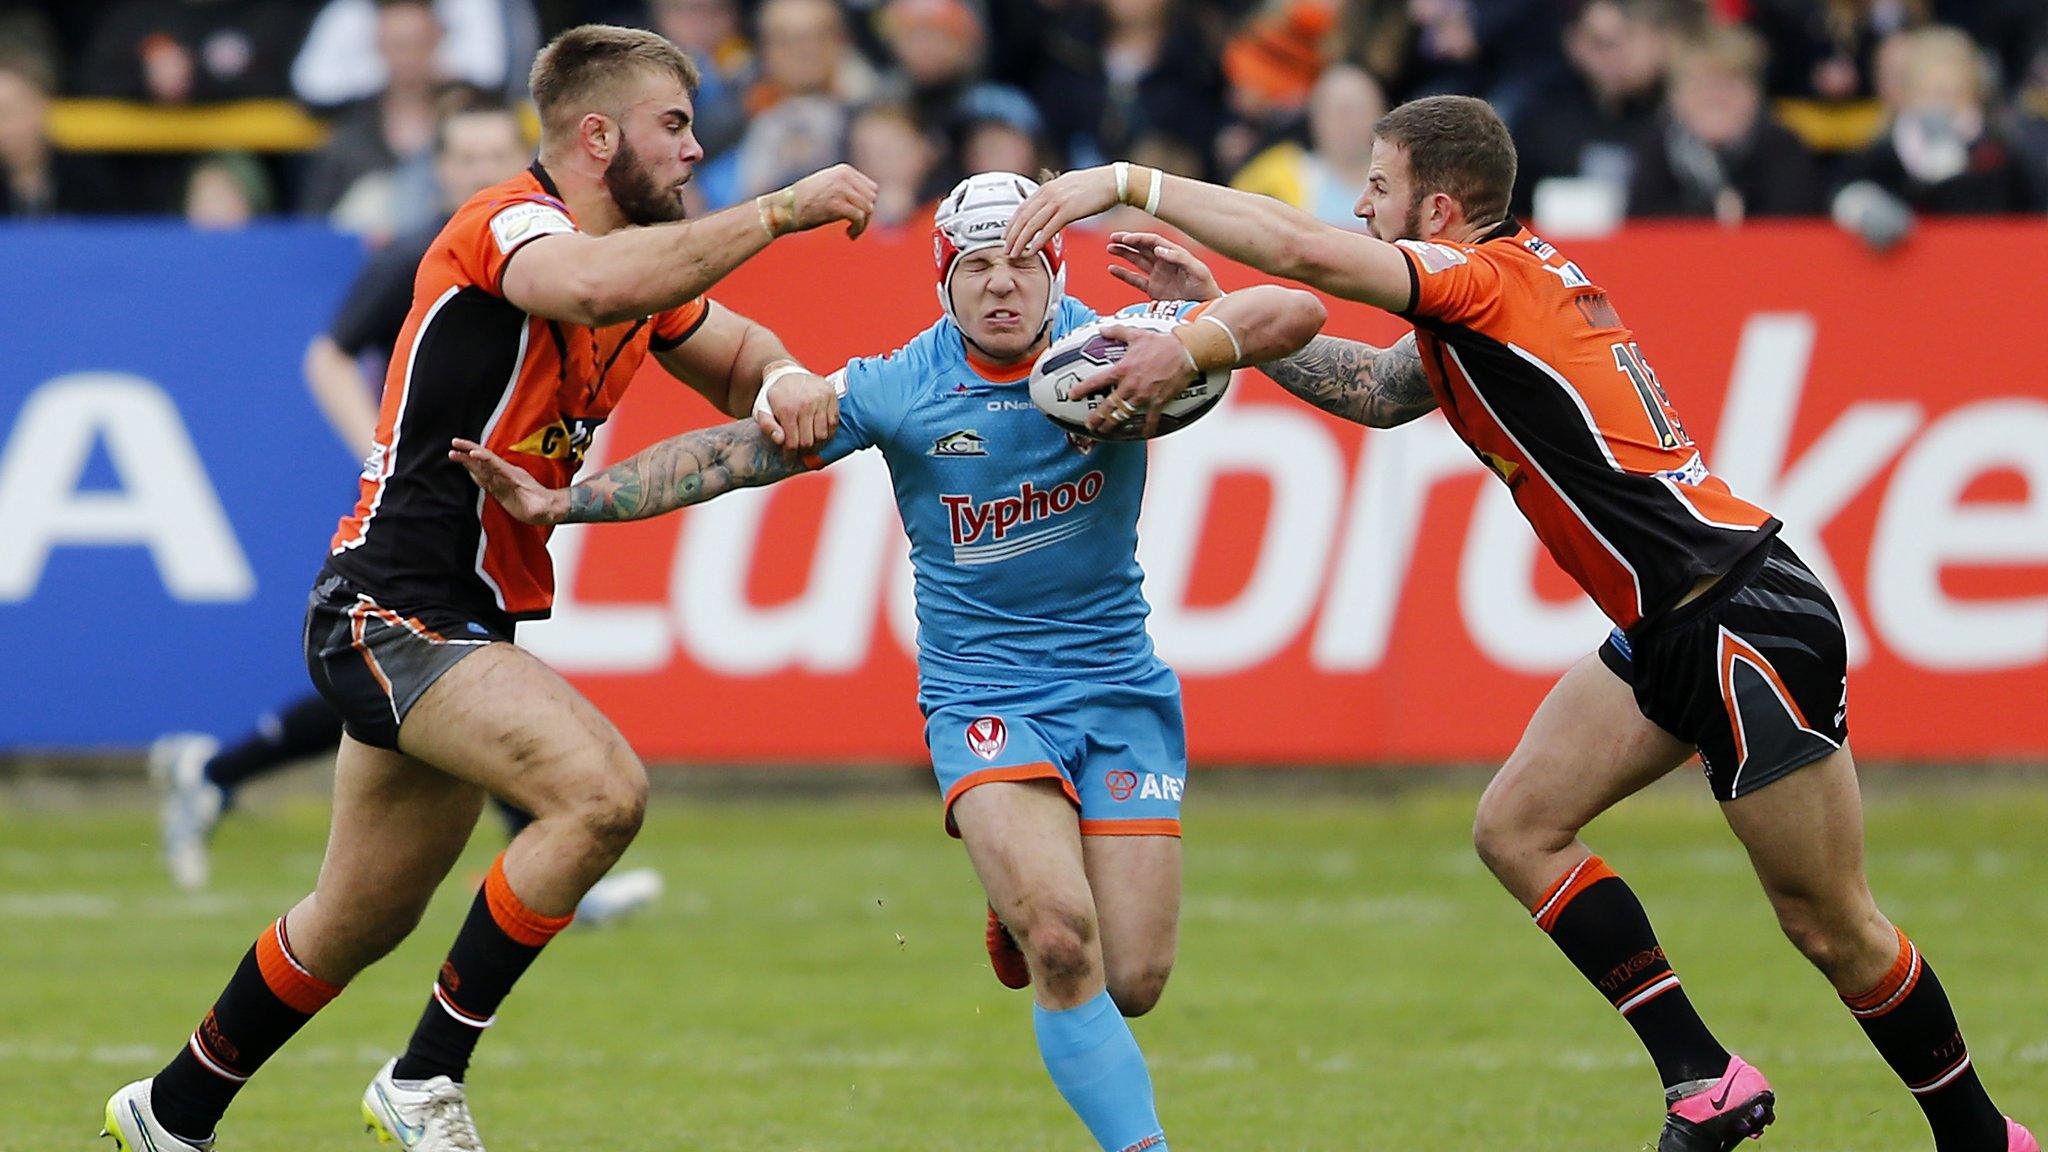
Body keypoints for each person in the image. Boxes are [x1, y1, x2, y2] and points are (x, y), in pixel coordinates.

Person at [1006, 96, 2039, 1152]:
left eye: (1377, 185)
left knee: (1830, 926)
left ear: (1439, 208)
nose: (1359, 203)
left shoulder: (1479, 280)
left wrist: (1128, 182)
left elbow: (1302, 250)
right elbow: (1372, 388)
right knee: (1516, 827)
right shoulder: (1496, 289)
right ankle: (1702, 1076)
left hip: (1738, 620)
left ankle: (1979, 1139)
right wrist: (1220, 310)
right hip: (1666, 625)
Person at [103, 23, 877, 1152]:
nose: (696, 151)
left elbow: (735, 349)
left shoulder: (634, 264)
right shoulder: (511, 222)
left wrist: (791, 376)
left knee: (354, 922)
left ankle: (170, 1113)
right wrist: (773, 212)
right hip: (388, 608)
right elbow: (587, 283)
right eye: (674, 127)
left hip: (464, 617)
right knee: (602, 793)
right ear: (595, 134)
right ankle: (424, 1079)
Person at [451, 171, 1326, 1152]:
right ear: (942, 282)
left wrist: (1194, 332)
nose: (1003, 286)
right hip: (982, 696)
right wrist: (565, 502)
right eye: (978, 267)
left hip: (1118, 687)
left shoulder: (1111, 343)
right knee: (1062, 943)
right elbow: (733, 457)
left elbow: (1294, 308)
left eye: (1024, 262)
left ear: (1055, 269)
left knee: (1134, 981)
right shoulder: (896, 385)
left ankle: (1018, 899)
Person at [151, 96, 664, 925]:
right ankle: (556, 844)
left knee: (426, 683)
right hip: (419, 493)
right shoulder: (440, 244)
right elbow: (328, 352)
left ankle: (217, 771)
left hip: (486, 502)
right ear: (441, 167)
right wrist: (377, 446)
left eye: (490, 151)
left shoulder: (546, 245)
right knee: (427, 668)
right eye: (460, 156)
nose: (475, 169)